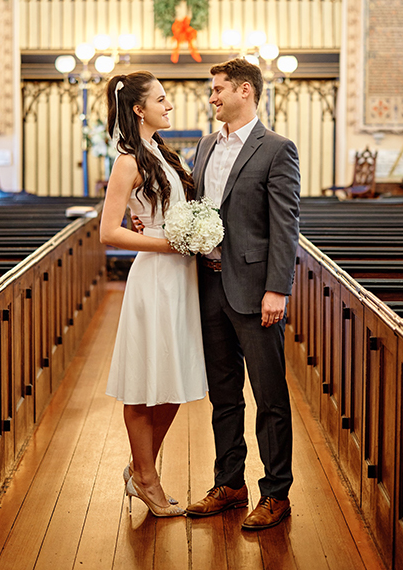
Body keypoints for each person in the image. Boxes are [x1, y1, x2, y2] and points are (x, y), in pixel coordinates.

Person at [186, 58, 300, 530]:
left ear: (245, 92)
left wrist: (278, 288)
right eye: (212, 90)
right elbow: (195, 208)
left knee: (269, 394)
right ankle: (230, 483)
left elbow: (285, 223)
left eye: (218, 89)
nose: (212, 97)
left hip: (255, 290)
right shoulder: (205, 144)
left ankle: (276, 493)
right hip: (209, 283)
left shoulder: (276, 149)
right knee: (224, 393)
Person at [101, 71, 207, 518]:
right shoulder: (128, 161)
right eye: (162, 100)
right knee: (146, 382)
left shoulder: (163, 154)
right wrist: (165, 242)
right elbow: (109, 231)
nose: (170, 105)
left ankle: (138, 469)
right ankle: (146, 477)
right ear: (139, 109)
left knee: (174, 382)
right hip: (155, 277)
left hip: (182, 277)